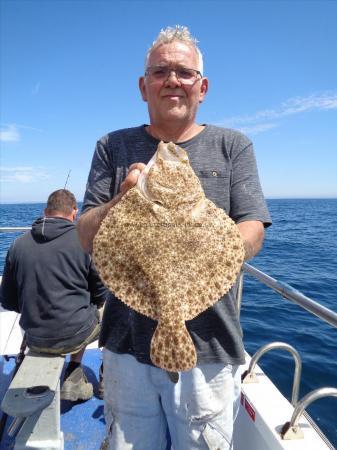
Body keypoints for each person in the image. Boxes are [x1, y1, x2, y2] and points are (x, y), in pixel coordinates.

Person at [77, 26, 272, 449]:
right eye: (160, 71)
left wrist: (207, 251)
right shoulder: (112, 146)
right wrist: (123, 201)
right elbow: (86, 236)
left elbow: (253, 226)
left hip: (211, 347)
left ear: (202, 87)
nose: (172, 80)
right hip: (125, 346)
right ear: (143, 86)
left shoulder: (233, 145)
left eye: (184, 72)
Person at [1, 189, 108, 402]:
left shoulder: (17, 244)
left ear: (45, 211)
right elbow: (100, 293)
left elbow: (8, 301)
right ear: (74, 213)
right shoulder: (86, 243)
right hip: (74, 335)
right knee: (109, 308)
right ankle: (78, 371)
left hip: (34, 337)